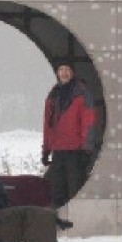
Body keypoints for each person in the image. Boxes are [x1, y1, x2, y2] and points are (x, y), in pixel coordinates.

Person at [41, 61, 96, 208]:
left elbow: (88, 123)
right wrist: (46, 149)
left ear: (73, 73)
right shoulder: (54, 94)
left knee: (75, 189)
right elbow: (48, 124)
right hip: (58, 150)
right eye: (61, 70)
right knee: (56, 190)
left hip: (75, 151)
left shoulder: (82, 93)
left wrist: (87, 149)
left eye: (67, 69)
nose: (64, 73)